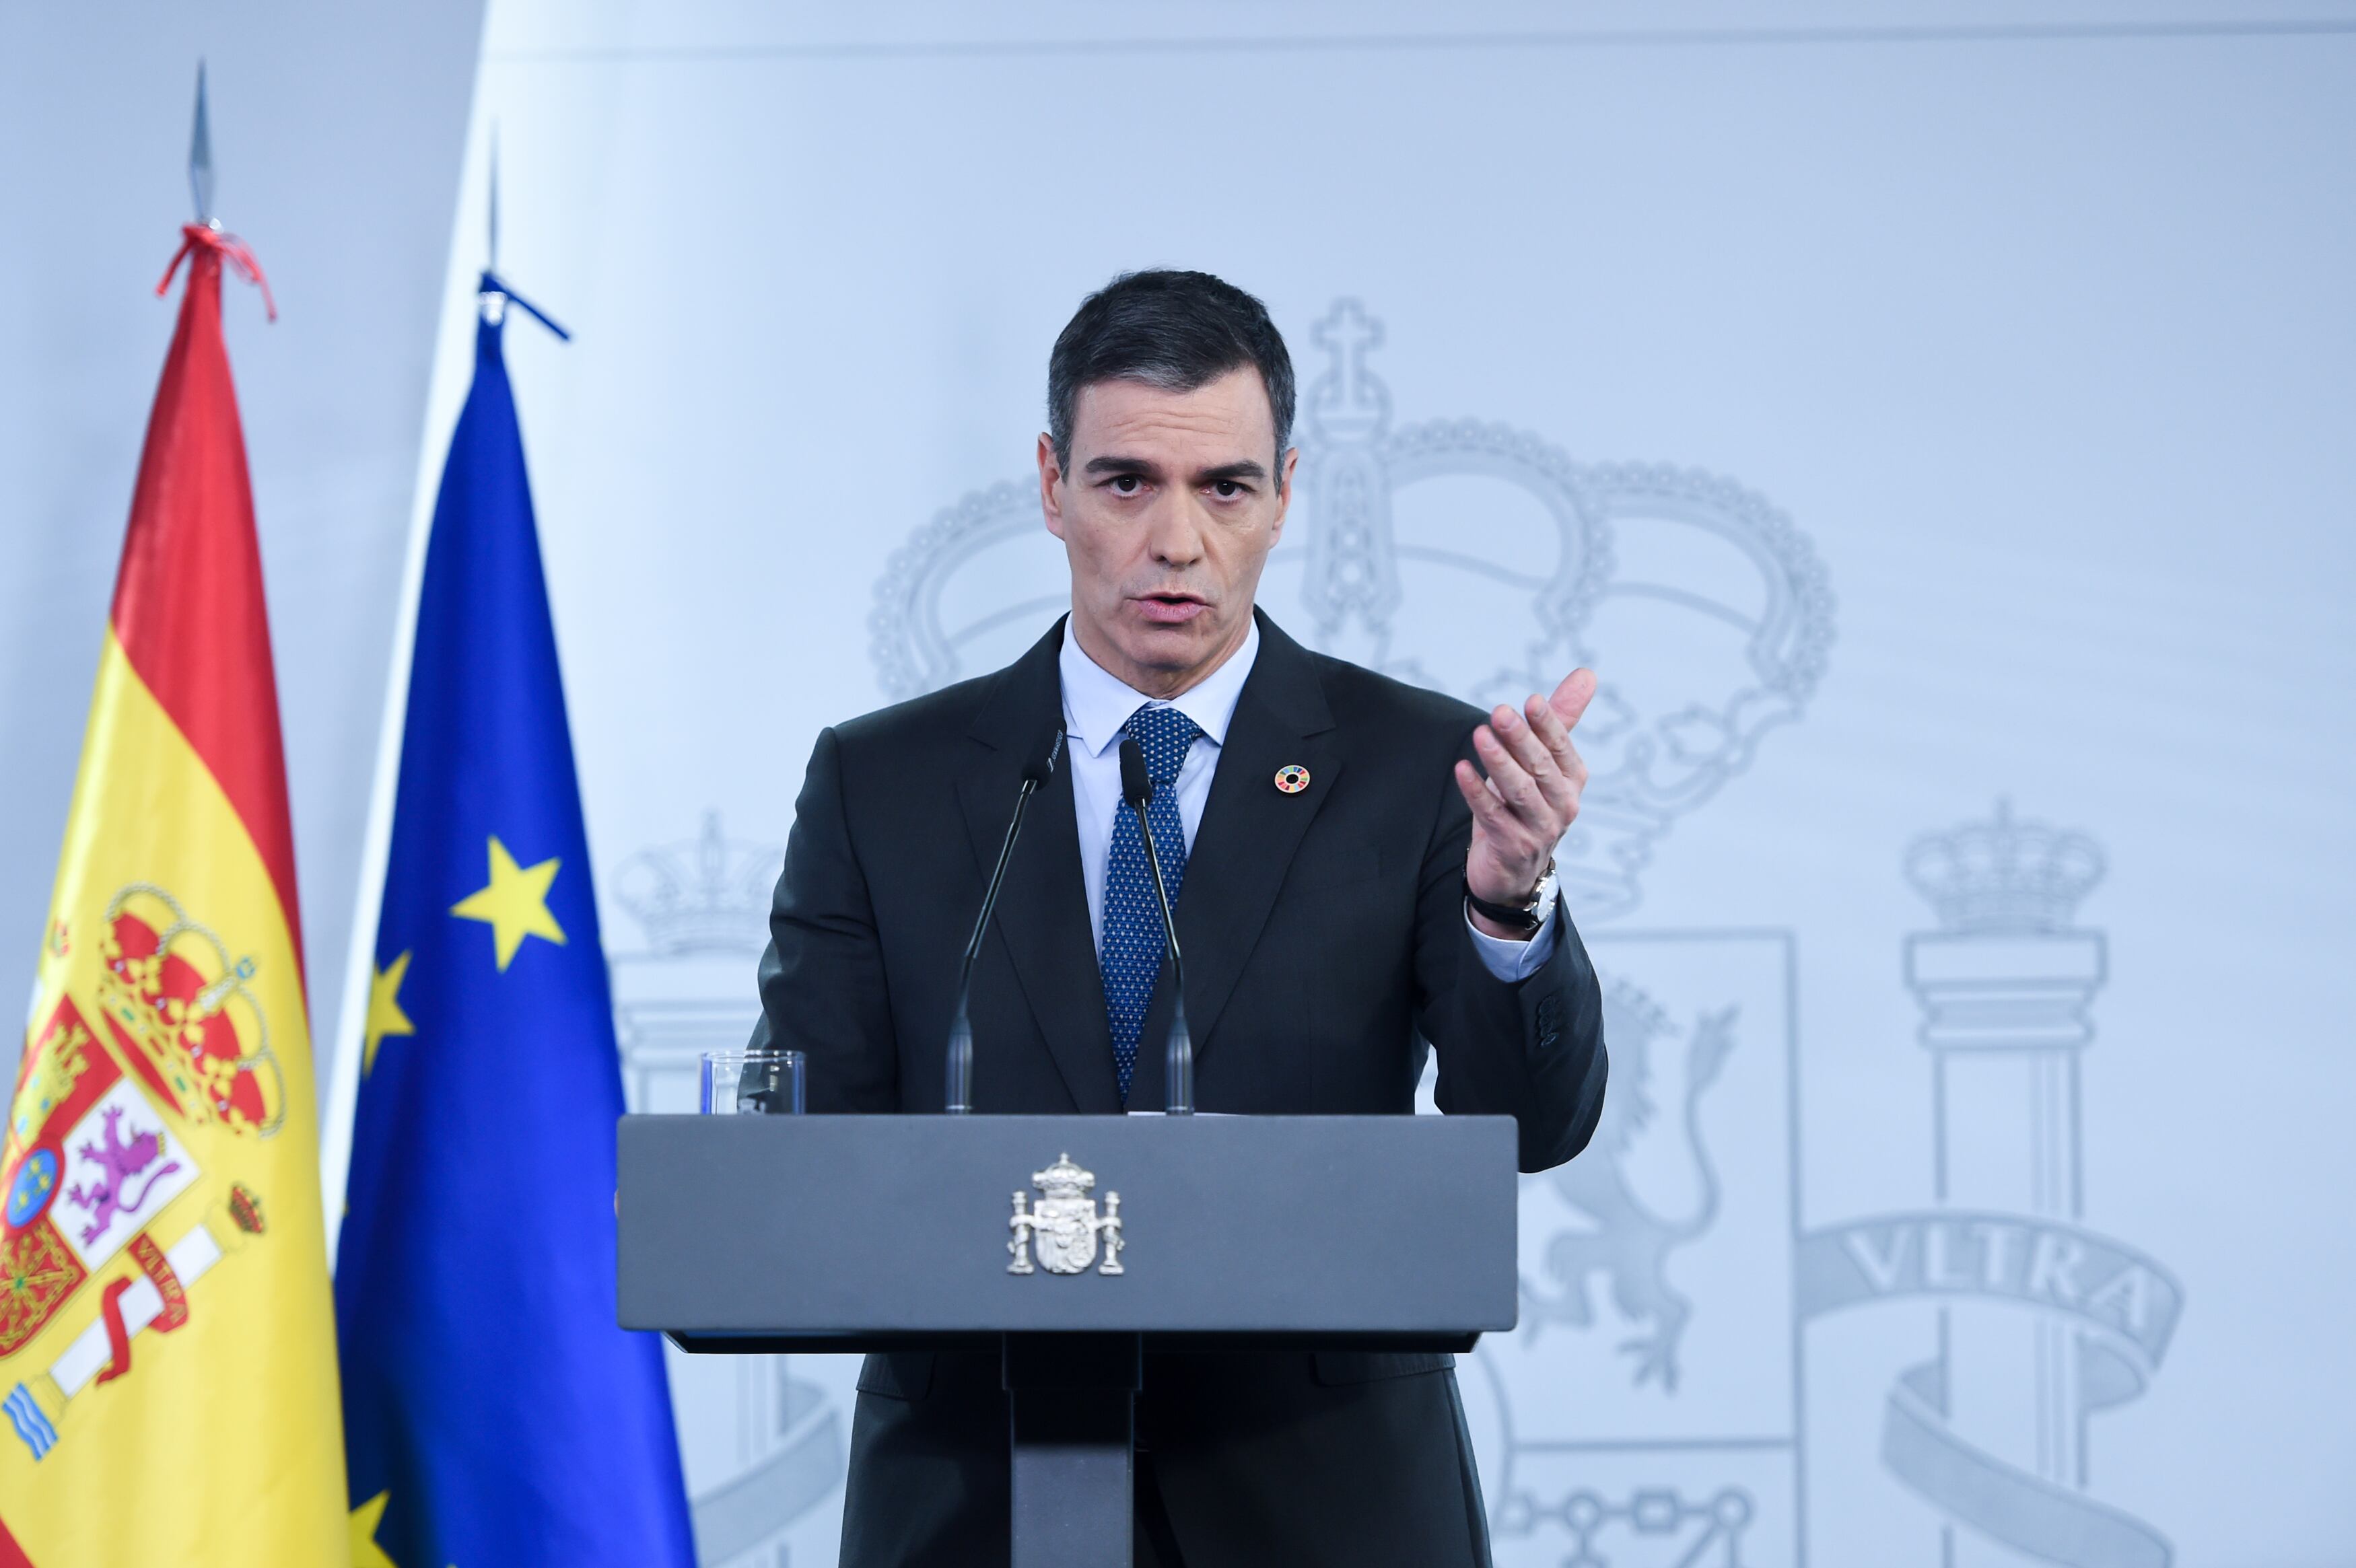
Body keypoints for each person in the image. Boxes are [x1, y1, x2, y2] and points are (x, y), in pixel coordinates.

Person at [750, 269, 1607, 1567]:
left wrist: (1510, 904)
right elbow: (804, 1162)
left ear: (1283, 494)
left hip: (1324, 1510)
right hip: (982, 1503)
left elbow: (1537, 1126)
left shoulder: (1419, 767)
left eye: (1225, 488)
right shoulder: (888, 783)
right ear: (1051, 485)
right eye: (1125, 482)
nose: (1176, 541)